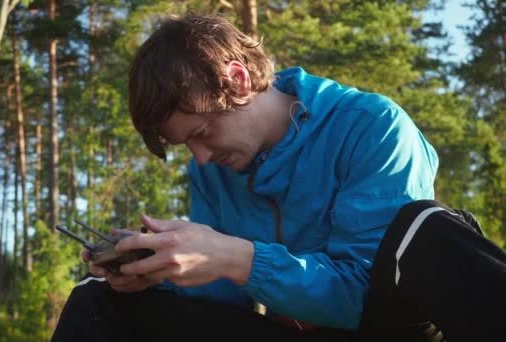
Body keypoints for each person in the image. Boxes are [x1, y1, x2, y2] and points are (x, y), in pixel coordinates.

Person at [51, 14, 506, 341]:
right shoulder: (210, 173)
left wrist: (238, 257)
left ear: (237, 80)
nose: (202, 157)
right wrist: (161, 270)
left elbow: (365, 295)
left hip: (382, 327)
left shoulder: (370, 125)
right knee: (99, 298)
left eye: (203, 133)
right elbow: (225, 305)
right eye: (186, 146)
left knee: (425, 227)